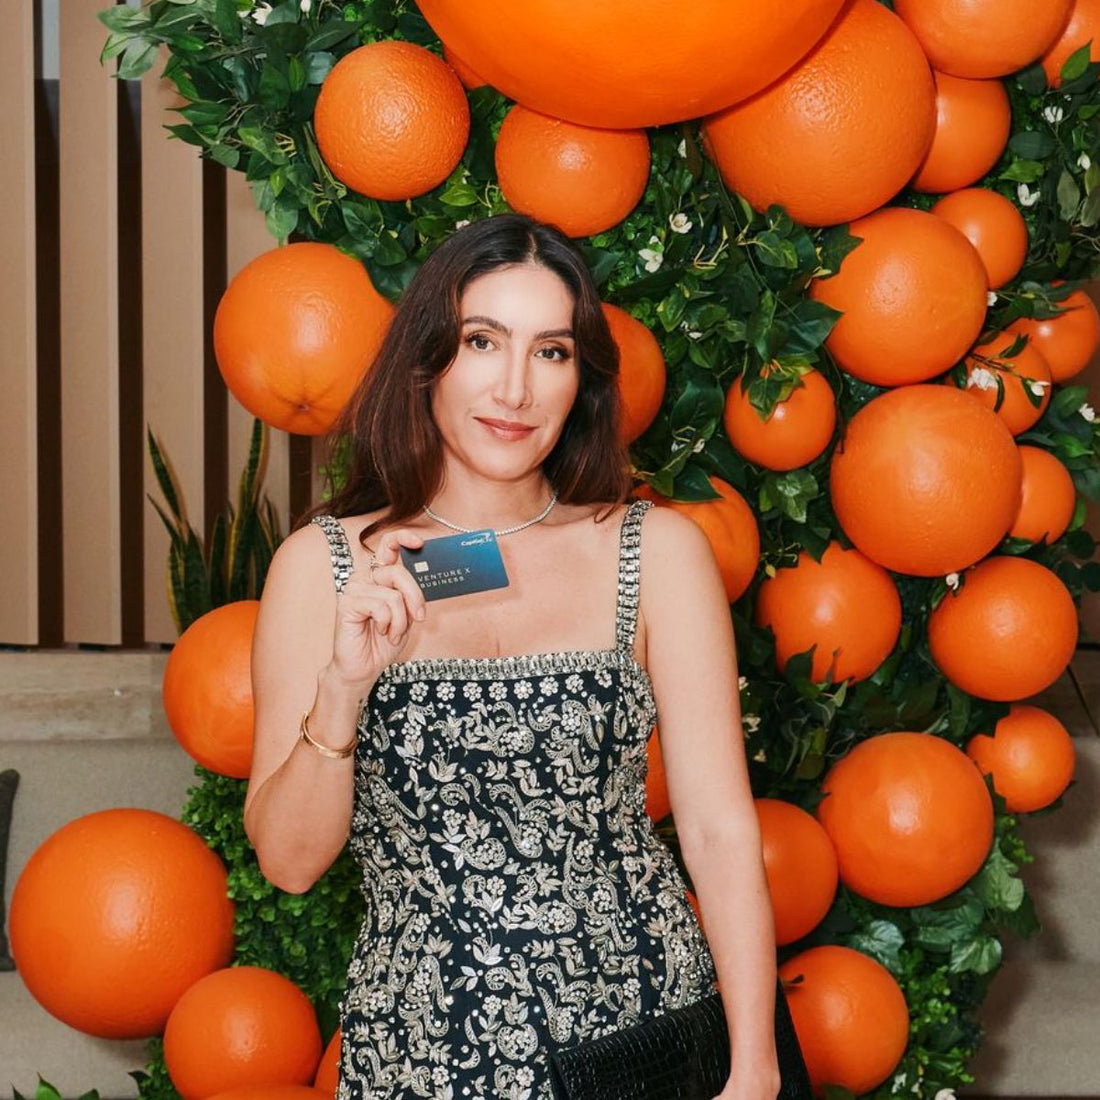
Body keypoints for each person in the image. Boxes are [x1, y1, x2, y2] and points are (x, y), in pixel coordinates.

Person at [244, 213, 780, 1100]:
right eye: (483, 341)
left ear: (583, 381)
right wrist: (343, 688)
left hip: (640, 1032)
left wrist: (753, 1065)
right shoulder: (325, 566)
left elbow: (720, 832)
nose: (516, 388)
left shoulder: (654, 552)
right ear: (427, 360)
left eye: (553, 352)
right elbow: (291, 864)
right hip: (420, 1050)